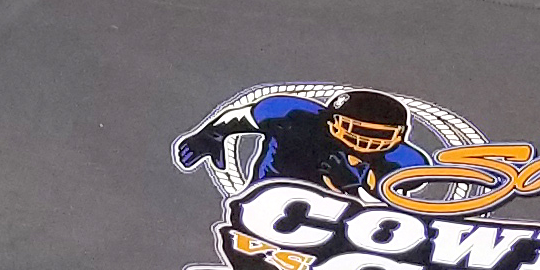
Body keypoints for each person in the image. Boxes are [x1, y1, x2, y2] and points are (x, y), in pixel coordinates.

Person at [175, 88, 425, 200]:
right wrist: (211, 135)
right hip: (267, 204)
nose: (366, 141)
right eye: (356, 129)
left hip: (345, 229)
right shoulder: (293, 116)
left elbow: (392, 214)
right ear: (332, 121)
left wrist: (353, 189)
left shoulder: (405, 162)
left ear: (399, 136)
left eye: (380, 135)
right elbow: (241, 117)